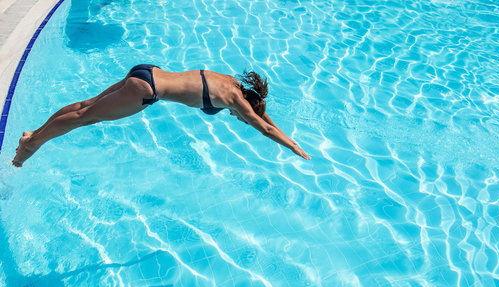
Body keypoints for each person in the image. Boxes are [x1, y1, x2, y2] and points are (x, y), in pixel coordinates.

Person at [12, 64, 311, 167]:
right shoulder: (236, 100)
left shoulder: (232, 83)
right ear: (244, 108)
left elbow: (262, 115)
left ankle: (33, 133)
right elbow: (264, 128)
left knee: (85, 106)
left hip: (149, 72)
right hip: (147, 90)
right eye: (240, 116)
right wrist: (293, 146)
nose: (237, 117)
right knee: (88, 117)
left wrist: (281, 129)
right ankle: (33, 143)